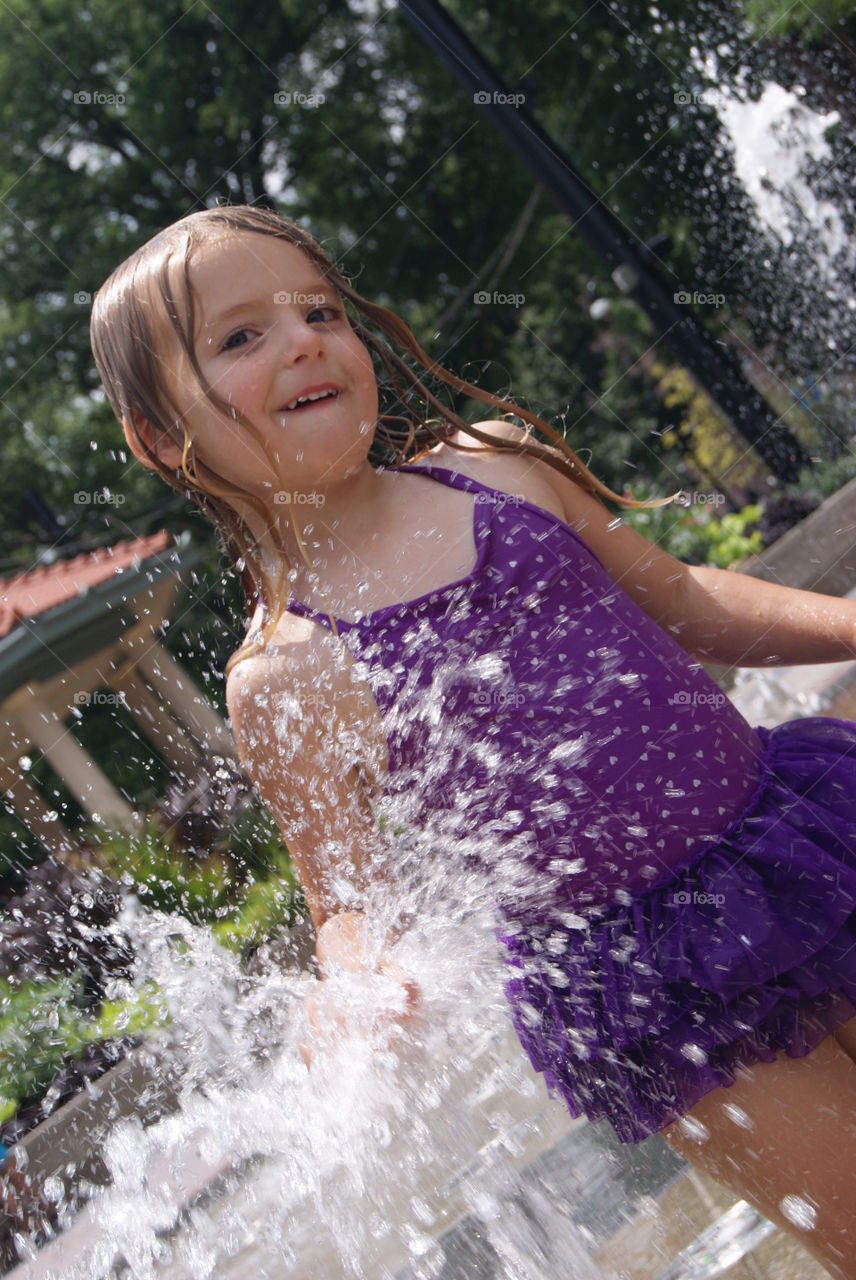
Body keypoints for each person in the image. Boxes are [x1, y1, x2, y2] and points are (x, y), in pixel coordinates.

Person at [90, 203, 856, 1278]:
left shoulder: (492, 467)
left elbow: (685, 601)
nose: (304, 339)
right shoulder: (288, 671)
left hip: (793, 836)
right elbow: (343, 892)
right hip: (653, 982)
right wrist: (356, 985)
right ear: (162, 437)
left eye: (317, 310)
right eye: (238, 337)